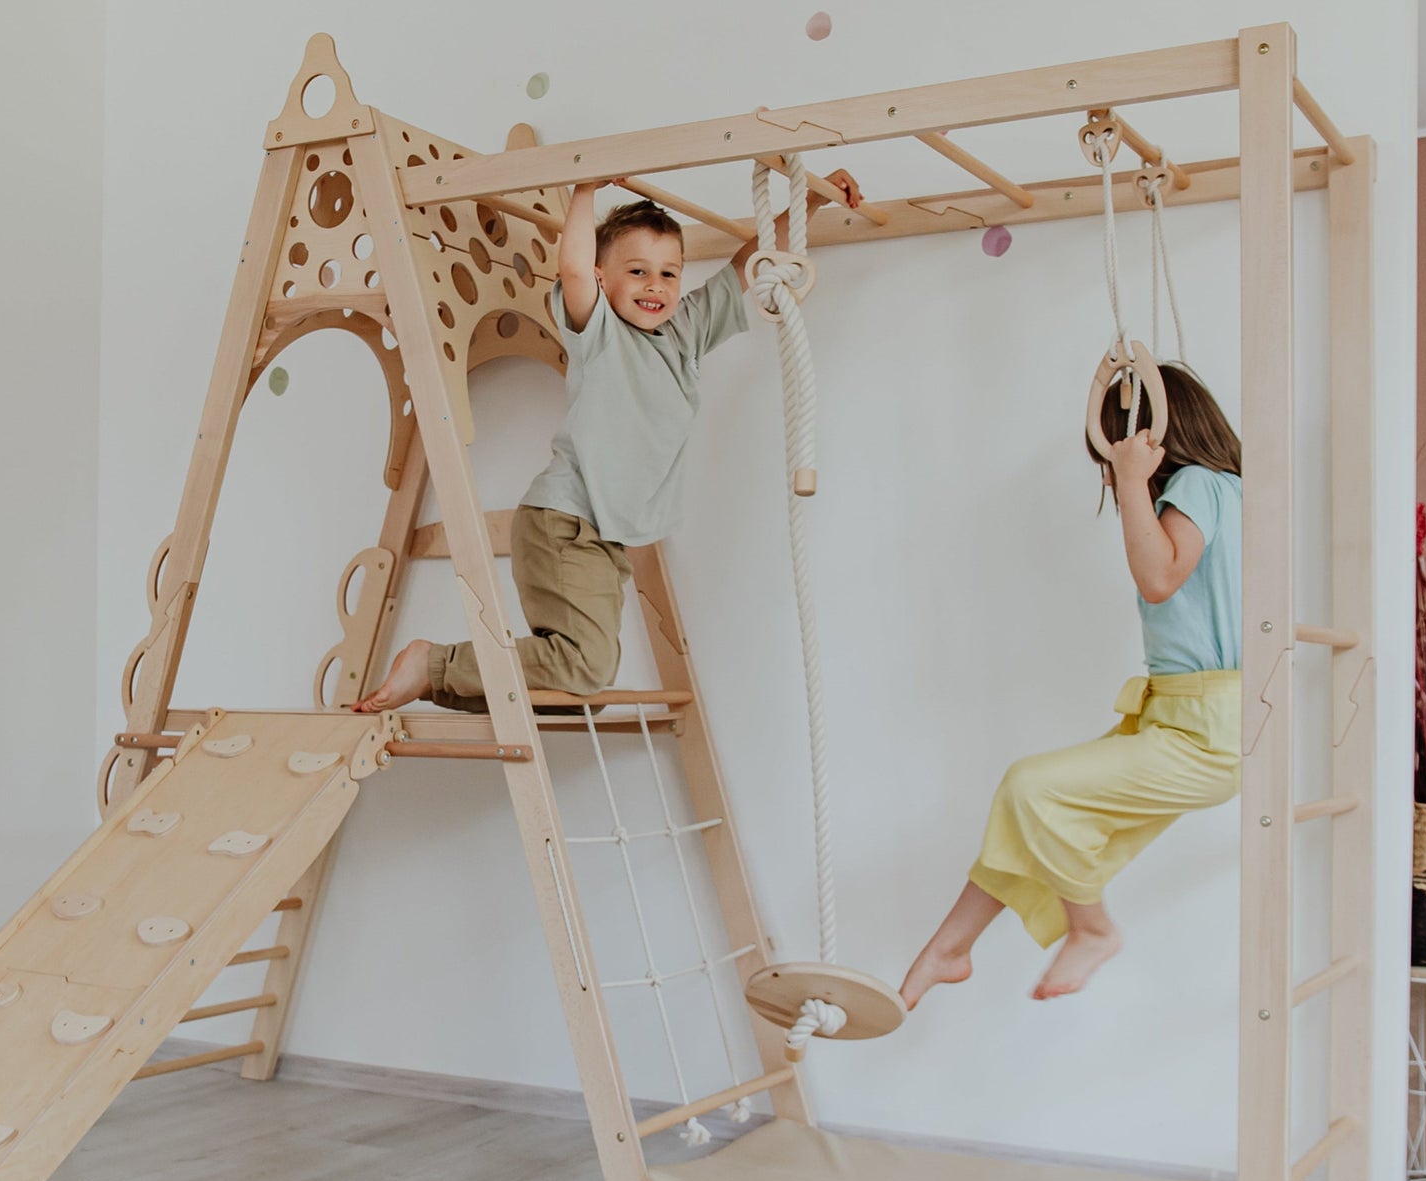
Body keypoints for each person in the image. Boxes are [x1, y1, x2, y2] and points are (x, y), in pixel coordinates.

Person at [355, 170, 861, 715]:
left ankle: (442, 680)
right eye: (637, 271)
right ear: (602, 278)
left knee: (580, 692)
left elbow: (747, 263)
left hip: (603, 539)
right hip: (566, 525)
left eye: (669, 273)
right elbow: (571, 266)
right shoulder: (599, 331)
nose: (655, 286)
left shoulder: (685, 331)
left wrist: (807, 199)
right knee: (585, 669)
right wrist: (585, 187)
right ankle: (434, 663)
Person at [901, 365, 1243, 1007]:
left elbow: (1159, 578)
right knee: (1027, 815)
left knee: (1032, 787)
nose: (1112, 479)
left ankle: (1092, 929)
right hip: (1182, 718)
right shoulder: (1231, 491)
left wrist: (1137, 482)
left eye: (1111, 461)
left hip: (1209, 728)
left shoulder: (1198, 484)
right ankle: (948, 949)